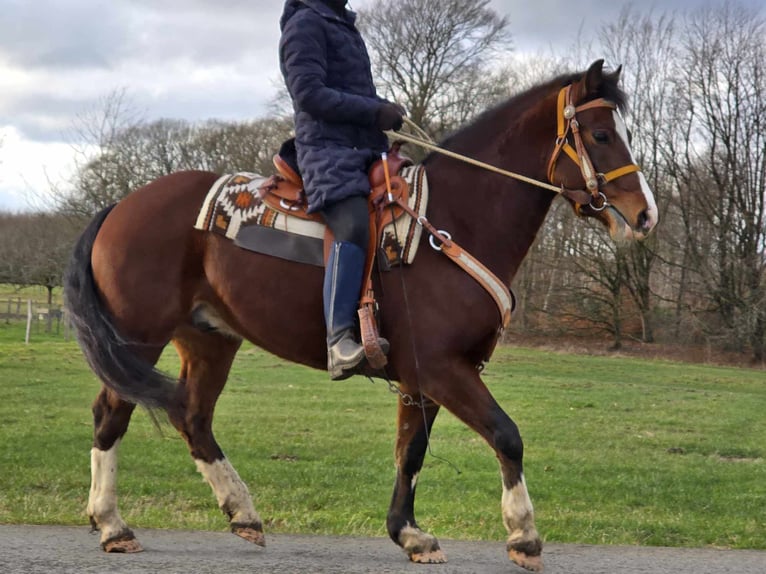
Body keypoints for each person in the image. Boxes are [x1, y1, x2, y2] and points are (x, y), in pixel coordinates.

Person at [279, 0, 404, 380]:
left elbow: (349, 91)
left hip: (364, 149)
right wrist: (373, 110)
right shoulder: (304, 24)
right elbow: (309, 95)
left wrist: (381, 110)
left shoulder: (343, 24)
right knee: (351, 224)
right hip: (326, 151)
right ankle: (339, 340)